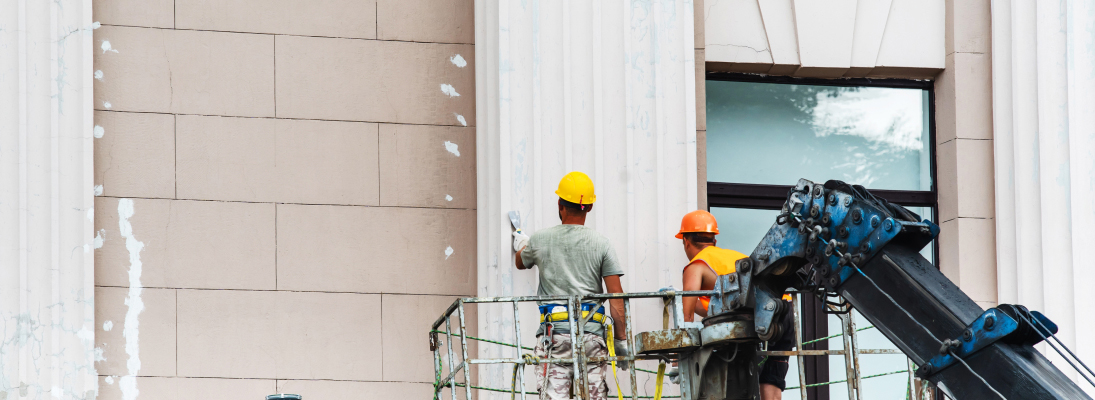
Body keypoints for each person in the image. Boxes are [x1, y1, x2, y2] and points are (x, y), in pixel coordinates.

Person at [512, 171, 629, 400]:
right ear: (590, 208)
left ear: (560, 204)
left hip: (554, 336)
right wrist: (621, 340)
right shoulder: (602, 244)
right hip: (592, 337)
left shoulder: (540, 239)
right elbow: (616, 296)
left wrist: (523, 244)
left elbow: (520, 262)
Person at [675, 210, 794, 400]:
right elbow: (723, 309)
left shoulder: (696, 266)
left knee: (739, 380)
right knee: (771, 379)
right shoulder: (736, 257)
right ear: (714, 241)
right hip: (783, 310)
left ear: (686, 242)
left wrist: (681, 359)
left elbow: (687, 319)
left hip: (756, 320)